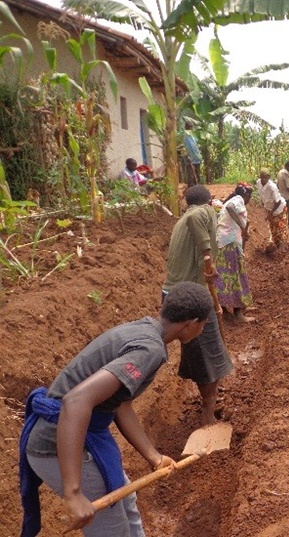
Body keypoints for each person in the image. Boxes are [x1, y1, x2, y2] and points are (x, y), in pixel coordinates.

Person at [20, 281, 214, 537]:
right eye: (203, 325)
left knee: (127, 503)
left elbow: (120, 403)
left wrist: (153, 457)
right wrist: (74, 493)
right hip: (56, 445)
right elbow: (75, 401)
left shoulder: (145, 329)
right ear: (191, 323)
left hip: (79, 435)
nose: (202, 330)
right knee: (112, 530)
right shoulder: (149, 349)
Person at [163, 185, 234, 425]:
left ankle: (209, 401)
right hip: (191, 297)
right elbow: (198, 219)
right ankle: (208, 414)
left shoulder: (182, 220)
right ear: (209, 200)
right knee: (209, 354)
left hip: (177, 292)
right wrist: (208, 258)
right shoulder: (201, 212)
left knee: (200, 355)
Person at [215, 183, 255, 323]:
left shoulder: (232, 200)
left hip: (224, 242)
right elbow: (231, 209)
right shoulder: (237, 200)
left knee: (225, 276)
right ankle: (238, 313)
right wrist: (243, 226)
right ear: (246, 195)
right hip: (230, 244)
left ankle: (226, 310)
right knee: (236, 274)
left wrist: (243, 231)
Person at [258, 168, 289, 251]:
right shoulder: (258, 183)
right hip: (269, 208)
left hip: (279, 209)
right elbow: (262, 195)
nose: (264, 179)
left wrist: (270, 213)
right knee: (273, 228)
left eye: (266, 177)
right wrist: (265, 207)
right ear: (260, 176)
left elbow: (278, 202)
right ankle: (275, 245)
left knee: (281, 227)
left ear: (268, 177)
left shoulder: (272, 187)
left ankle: (282, 248)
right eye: (262, 177)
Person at [183, 122, 202, 186]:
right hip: (189, 157)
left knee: (197, 174)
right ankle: (191, 187)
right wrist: (187, 155)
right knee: (190, 174)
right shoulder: (184, 137)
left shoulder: (193, 136)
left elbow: (196, 145)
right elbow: (184, 147)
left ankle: (197, 186)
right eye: (190, 128)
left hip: (197, 157)